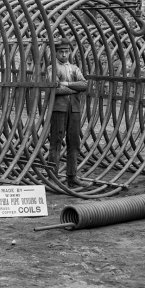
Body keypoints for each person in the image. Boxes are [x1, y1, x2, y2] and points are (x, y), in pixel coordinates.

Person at [47, 37, 88, 188]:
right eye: (61, 52)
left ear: (70, 52)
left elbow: (84, 85)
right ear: (56, 53)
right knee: (56, 142)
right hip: (59, 109)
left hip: (74, 110)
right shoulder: (52, 69)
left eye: (66, 51)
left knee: (74, 143)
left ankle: (72, 176)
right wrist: (73, 89)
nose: (64, 55)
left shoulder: (74, 68)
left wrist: (67, 84)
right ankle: (53, 178)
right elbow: (54, 89)